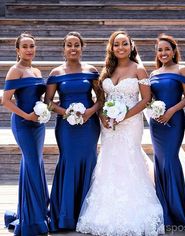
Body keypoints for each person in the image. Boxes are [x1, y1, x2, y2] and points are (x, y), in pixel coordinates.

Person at [76, 30, 164, 235]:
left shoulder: (139, 70)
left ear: (131, 46)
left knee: (128, 159)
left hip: (131, 123)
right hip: (108, 125)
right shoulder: (107, 69)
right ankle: (103, 213)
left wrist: (125, 115)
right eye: (116, 44)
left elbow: (145, 100)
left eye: (124, 44)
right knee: (108, 160)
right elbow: (101, 98)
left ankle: (136, 212)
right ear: (111, 48)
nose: (120, 48)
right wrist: (102, 116)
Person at [45, 31, 101, 232]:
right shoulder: (56, 73)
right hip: (66, 127)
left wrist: (89, 112)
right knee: (68, 161)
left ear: (82, 47)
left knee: (89, 161)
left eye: (76, 44)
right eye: (69, 45)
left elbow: (100, 98)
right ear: (64, 48)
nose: (73, 48)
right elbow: (48, 102)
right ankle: (66, 215)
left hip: (89, 125)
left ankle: (87, 215)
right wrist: (66, 112)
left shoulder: (91, 70)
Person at [2, 33, 49, 236]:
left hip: (37, 124)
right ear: (17, 50)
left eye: (32, 46)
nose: (29, 50)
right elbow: (6, 100)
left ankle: (33, 211)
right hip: (23, 123)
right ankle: (31, 219)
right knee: (31, 164)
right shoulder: (15, 70)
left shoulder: (36, 70)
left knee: (34, 164)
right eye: (25, 47)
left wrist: (42, 113)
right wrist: (26, 116)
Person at [149, 34, 185, 227]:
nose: (163, 53)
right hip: (156, 123)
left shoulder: (182, 69)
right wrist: (154, 110)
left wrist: (172, 110)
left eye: (167, 49)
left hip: (174, 120)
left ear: (174, 50)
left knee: (171, 160)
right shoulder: (153, 73)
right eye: (160, 50)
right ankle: (164, 211)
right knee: (159, 162)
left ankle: (179, 211)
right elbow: (149, 98)